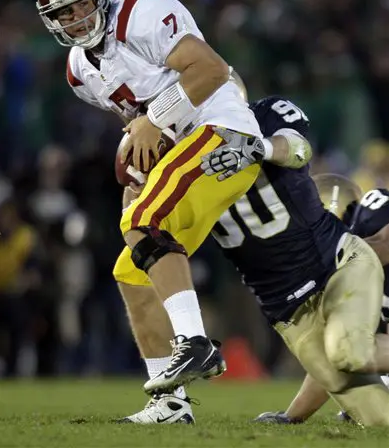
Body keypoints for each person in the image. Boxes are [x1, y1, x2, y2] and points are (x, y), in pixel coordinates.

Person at [36, 0, 278, 394]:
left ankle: (195, 342)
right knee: (132, 271)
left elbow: (212, 69)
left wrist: (156, 120)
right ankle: (168, 401)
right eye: (63, 13)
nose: (75, 20)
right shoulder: (79, 71)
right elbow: (139, 126)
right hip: (183, 150)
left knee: (141, 221)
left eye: (81, 6)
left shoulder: (141, 10)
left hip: (221, 133)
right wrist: (138, 171)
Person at [116, 96, 389, 425]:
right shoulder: (180, 165)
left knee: (349, 351)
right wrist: (136, 190)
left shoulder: (264, 115)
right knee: (379, 422)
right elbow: (148, 234)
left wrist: (257, 147)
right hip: (287, 312)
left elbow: (299, 148)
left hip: (335, 264)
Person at [256, 174, 389, 425]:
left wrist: (341, 258)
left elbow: (384, 241)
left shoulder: (372, 217)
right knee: (346, 348)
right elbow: (334, 358)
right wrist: (292, 417)